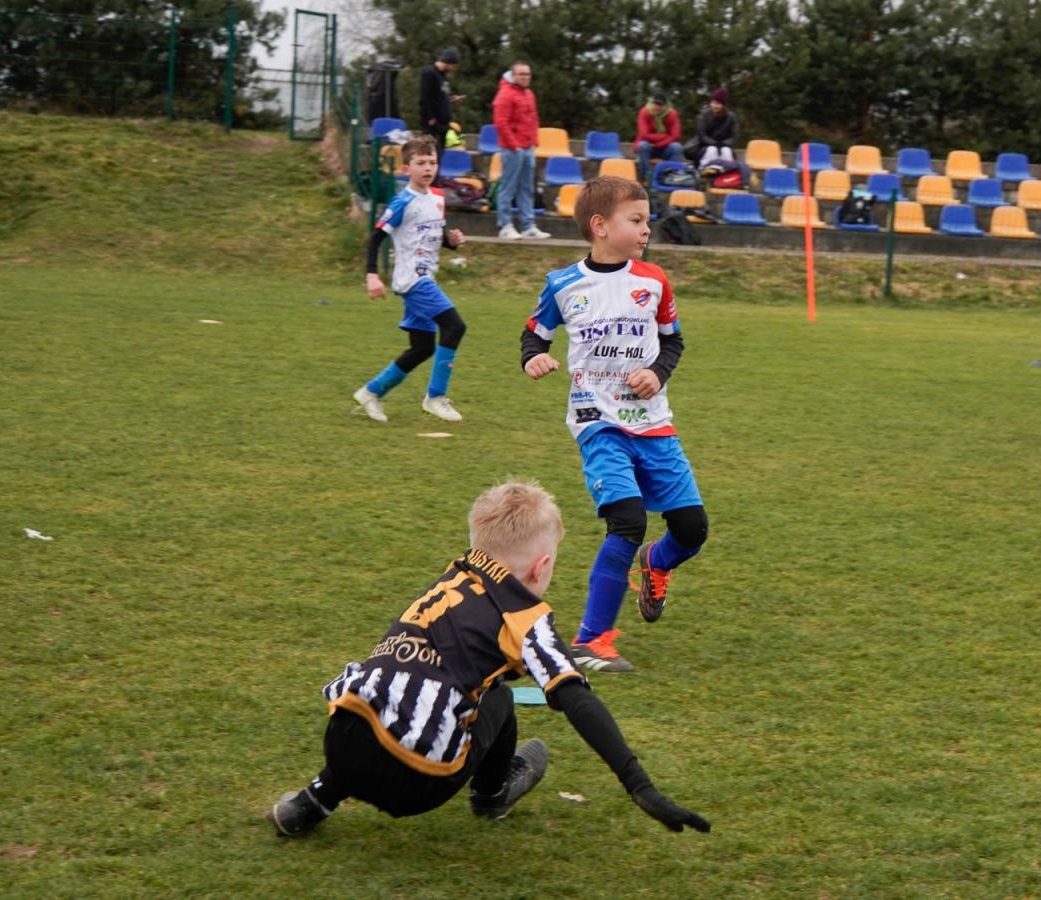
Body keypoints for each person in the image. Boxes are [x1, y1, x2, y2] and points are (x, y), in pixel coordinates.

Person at [263, 480, 711, 837]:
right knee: (497, 698)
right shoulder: (524, 616)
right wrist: (640, 785)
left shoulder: (454, 575)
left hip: (340, 741)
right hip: (418, 782)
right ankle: (493, 794)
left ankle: (312, 800)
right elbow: (576, 698)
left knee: (394, 686)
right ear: (541, 567)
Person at [520, 176, 710, 673]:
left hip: (654, 424)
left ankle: (657, 563)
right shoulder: (562, 285)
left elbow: (673, 342)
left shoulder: (654, 282)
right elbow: (533, 337)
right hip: (596, 422)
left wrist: (656, 372)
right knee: (626, 519)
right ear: (600, 226)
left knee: (692, 530)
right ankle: (592, 641)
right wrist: (533, 361)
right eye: (637, 220)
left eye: (647, 220)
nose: (647, 229)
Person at [353, 135, 468, 424]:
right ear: (407, 169)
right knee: (454, 326)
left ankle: (371, 392)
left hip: (425, 276)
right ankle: (436, 397)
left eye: (432, 162)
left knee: (423, 347)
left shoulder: (438, 198)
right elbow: (376, 237)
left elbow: (428, 236)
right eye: (420, 163)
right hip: (413, 280)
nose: (427, 168)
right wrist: (371, 275)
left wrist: (450, 241)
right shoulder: (402, 201)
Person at [492, 60, 549, 240]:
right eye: (521, 74)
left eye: (527, 74)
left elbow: (533, 119)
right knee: (508, 188)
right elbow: (501, 123)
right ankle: (505, 225)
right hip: (512, 149)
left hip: (527, 147)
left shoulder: (529, 94)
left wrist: (533, 141)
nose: (525, 77)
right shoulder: (505, 95)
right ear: (513, 75)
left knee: (527, 188)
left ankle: (527, 225)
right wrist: (513, 145)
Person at [419, 48, 463, 148]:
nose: (454, 69)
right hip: (433, 124)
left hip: (443, 123)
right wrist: (431, 119)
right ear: (449, 62)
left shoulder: (442, 76)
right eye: (454, 66)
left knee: (439, 156)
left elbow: (439, 96)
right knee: (431, 153)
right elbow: (425, 98)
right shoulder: (429, 73)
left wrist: (451, 99)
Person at [634, 93, 683, 183]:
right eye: (655, 104)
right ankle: (646, 178)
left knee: (677, 147)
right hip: (649, 146)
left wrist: (658, 144)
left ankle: (672, 176)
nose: (656, 107)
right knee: (643, 145)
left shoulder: (672, 114)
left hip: (664, 147)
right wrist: (664, 136)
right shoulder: (644, 112)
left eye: (660, 105)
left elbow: (676, 136)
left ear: (666, 106)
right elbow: (644, 134)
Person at [691, 87, 740, 169]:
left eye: (718, 103)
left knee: (726, 151)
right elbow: (701, 134)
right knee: (711, 150)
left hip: (725, 145)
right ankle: (705, 170)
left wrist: (724, 144)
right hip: (706, 146)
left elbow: (734, 136)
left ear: (723, 105)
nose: (714, 105)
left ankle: (727, 171)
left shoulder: (731, 117)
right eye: (713, 102)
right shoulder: (704, 115)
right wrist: (714, 143)